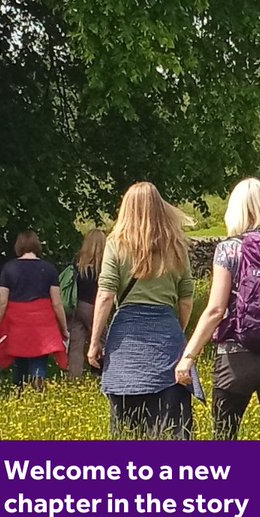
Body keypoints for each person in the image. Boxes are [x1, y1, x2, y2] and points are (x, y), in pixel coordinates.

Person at [175, 178, 260, 441]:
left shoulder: (228, 249)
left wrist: (189, 355)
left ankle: (232, 484)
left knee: (225, 440)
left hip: (236, 359)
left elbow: (215, 309)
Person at [88, 182, 196, 439]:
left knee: (126, 431)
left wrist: (94, 343)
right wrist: (177, 331)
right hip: (167, 338)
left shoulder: (116, 243)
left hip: (126, 344)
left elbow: (105, 295)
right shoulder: (176, 244)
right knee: (172, 431)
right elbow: (186, 298)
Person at [0, 230, 69, 392]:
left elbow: (3, 301)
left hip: (17, 322)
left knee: (19, 358)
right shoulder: (49, 269)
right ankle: (38, 391)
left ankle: (19, 392)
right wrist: (63, 327)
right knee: (40, 357)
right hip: (43, 322)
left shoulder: (9, 268)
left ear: (18, 246)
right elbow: (57, 303)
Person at [67, 228, 107, 378]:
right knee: (101, 339)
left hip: (77, 306)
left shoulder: (78, 262)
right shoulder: (104, 266)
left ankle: (74, 378)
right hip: (94, 308)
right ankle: (100, 373)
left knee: (76, 344)